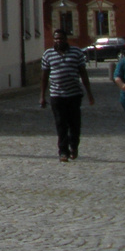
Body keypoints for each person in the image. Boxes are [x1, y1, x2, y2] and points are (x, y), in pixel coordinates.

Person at [39, 28, 93, 162]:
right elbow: (44, 77)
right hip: (57, 95)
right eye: (56, 38)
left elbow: (83, 73)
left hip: (74, 94)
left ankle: (74, 146)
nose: (59, 41)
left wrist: (89, 93)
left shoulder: (76, 52)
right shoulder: (48, 54)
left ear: (66, 39)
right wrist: (42, 96)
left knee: (74, 123)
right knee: (61, 123)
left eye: (61, 38)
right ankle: (63, 151)